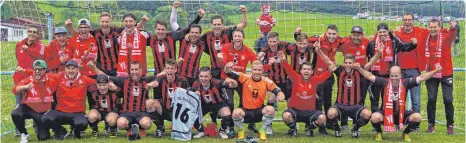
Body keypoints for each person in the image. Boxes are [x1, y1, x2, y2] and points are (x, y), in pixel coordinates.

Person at [355, 65, 442, 141]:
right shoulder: (384, 82)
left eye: (396, 76)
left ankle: (405, 133)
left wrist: (435, 71)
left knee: (417, 117)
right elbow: (369, 76)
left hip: (401, 114)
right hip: (386, 114)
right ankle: (379, 132)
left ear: (400, 75)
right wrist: (359, 68)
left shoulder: (405, 82)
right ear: (389, 75)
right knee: (375, 117)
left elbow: (422, 77)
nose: (394, 78)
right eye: (392, 76)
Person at [278, 40, 335, 137]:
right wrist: (283, 60)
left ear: (312, 71)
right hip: (295, 110)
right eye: (304, 69)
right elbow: (287, 68)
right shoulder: (295, 78)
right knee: (286, 116)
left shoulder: (315, 80)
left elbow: (326, 74)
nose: (306, 71)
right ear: (300, 71)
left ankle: (309, 128)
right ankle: (293, 128)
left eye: (309, 69)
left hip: (309, 112)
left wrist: (331, 70)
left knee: (322, 118)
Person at [367, 23, 418, 129]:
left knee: (388, 99)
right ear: (377, 32)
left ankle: (389, 121)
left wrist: (413, 44)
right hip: (376, 76)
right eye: (380, 32)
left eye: (384, 32)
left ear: (387, 32)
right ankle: (375, 125)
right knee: (374, 100)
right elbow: (368, 57)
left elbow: (405, 47)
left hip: (388, 77)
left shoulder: (394, 41)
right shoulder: (372, 43)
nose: (382, 34)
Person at [89, 60, 156, 140]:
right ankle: (129, 129)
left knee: (147, 124)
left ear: (141, 70)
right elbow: (105, 76)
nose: (134, 72)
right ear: (129, 71)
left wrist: (153, 83)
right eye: (132, 69)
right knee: (120, 124)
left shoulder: (146, 80)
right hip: (126, 112)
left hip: (141, 112)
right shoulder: (123, 80)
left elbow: (160, 77)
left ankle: (141, 128)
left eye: (136, 69)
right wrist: (94, 68)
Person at [64, 12, 149, 76]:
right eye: (103, 22)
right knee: (104, 92)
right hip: (102, 68)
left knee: (116, 93)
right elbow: (79, 33)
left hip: (116, 67)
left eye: (107, 21)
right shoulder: (95, 33)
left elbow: (132, 26)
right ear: (100, 22)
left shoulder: (117, 31)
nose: (105, 24)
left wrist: (143, 21)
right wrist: (70, 27)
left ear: (110, 22)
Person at [325, 51, 383, 138]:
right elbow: (327, 60)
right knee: (330, 113)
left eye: (350, 63)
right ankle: (337, 128)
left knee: (367, 114)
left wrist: (378, 53)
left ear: (354, 63)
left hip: (356, 106)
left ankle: (355, 128)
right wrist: (318, 50)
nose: (347, 65)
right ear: (343, 63)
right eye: (346, 62)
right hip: (340, 105)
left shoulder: (359, 71)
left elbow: (370, 63)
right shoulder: (340, 70)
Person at [295, 25, 341, 134]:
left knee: (328, 101)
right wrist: (297, 33)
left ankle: (329, 122)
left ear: (337, 34)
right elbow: (303, 40)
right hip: (317, 76)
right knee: (318, 101)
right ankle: (320, 126)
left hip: (329, 75)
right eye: (329, 33)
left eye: (334, 34)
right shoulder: (318, 39)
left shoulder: (338, 41)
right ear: (326, 33)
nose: (331, 36)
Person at [224, 61, 286, 140]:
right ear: (251, 70)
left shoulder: (266, 81)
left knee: (271, 109)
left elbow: (278, 91)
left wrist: (281, 96)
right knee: (236, 113)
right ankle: (241, 131)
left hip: (258, 112)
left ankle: (262, 130)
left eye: (259, 70)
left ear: (263, 71)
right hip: (245, 111)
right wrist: (227, 66)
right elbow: (227, 72)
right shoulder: (244, 77)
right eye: (255, 70)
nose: (257, 72)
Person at [40, 60, 97, 140]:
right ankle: (62, 131)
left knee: (83, 124)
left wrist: (111, 82)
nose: (71, 71)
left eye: (73, 68)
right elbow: (41, 74)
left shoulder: (84, 79)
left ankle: (75, 131)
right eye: (68, 68)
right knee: (45, 118)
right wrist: (24, 71)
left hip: (77, 112)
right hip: (61, 112)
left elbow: (101, 80)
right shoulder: (59, 77)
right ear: (65, 70)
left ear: (77, 69)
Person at [149, 0, 203, 74]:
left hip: (173, 72)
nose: (160, 31)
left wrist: (198, 17)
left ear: (166, 30)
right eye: (158, 29)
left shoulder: (172, 36)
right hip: (158, 73)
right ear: (155, 30)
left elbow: (187, 29)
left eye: (163, 29)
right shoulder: (150, 39)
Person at [425, 19, 458, 135]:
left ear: (440, 28)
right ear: (428, 27)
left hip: (446, 72)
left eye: (435, 27)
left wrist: (453, 27)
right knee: (431, 99)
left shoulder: (445, 38)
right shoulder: (426, 38)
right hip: (431, 73)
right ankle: (431, 125)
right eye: (431, 27)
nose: (433, 29)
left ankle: (450, 125)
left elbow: (453, 34)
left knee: (448, 99)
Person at [12, 60, 57, 142]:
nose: (37, 71)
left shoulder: (52, 80)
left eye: (40, 69)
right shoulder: (28, 79)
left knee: (43, 138)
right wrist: (25, 87)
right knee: (15, 113)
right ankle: (24, 133)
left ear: (45, 70)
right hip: (28, 107)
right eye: (35, 69)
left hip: (41, 111)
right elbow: (15, 90)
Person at [336, 26, 371, 130]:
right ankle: (344, 123)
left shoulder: (367, 42)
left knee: (360, 98)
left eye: (358, 35)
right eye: (354, 35)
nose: (356, 37)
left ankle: (357, 123)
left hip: (361, 74)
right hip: (347, 73)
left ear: (362, 35)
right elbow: (333, 45)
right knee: (344, 98)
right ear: (350, 35)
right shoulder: (345, 42)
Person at [393, 13, 429, 113]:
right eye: (405, 20)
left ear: (413, 21)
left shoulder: (420, 31)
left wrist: (451, 29)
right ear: (402, 21)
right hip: (400, 71)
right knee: (400, 99)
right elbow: (383, 34)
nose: (407, 22)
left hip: (414, 71)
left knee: (416, 100)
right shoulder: (397, 33)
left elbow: (435, 30)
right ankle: (399, 122)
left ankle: (415, 124)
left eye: (409, 20)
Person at [13, 25, 45, 136]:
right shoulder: (19, 44)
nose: (32, 33)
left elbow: (40, 59)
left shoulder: (41, 46)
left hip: (34, 80)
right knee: (18, 105)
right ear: (27, 32)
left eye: (34, 32)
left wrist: (29, 51)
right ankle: (19, 130)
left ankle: (37, 128)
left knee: (35, 104)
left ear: (38, 35)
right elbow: (18, 58)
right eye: (30, 31)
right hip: (20, 80)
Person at [145, 59, 190, 138]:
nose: (170, 71)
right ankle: (160, 127)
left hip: (178, 111)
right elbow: (153, 83)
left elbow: (188, 98)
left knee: (181, 133)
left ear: (175, 70)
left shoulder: (182, 80)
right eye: (168, 68)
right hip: (164, 109)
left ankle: (191, 127)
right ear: (165, 69)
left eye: (172, 68)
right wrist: (150, 85)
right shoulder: (161, 78)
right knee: (149, 103)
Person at [200, 4, 247, 79]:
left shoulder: (228, 32)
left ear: (222, 25)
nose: (217, 26)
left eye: (219, 24)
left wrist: (244, 12)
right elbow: (195, 39)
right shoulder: (207, 35)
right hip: (215, 69)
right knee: (218, 89)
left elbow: (243, 24)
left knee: (232, 86)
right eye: (215, 24)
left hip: (228, 67)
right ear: (211, 25)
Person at [191, 66, 238, 139]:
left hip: (218, 104)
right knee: (191, 116)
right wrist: (195, 92)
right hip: (203, 105)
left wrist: (232, 81)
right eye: (201, 76)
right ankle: (201, 130)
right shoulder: (196, 83)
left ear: (210, 77)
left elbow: (234, 85)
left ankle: (222, 131)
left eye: (206, 76)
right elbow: (190, 94)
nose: (203, 79)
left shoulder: (217, 82)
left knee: (227, 114)